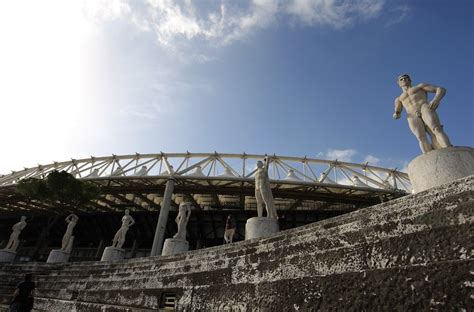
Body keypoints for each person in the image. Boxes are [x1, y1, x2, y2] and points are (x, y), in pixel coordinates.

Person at [393, 74, 452, 153]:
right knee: (421, 137)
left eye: (405, 78)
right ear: (399, 83)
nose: (403, 80)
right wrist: (396, 114)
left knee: (436, 129)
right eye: (401, 79)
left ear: (410, 80)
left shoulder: (419, 87)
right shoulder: (399, 99)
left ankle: (449, 150)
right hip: (411, 115)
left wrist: (436, 100)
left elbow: (440, 89)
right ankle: (428, 158)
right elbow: (397, 112)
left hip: (424, 108)